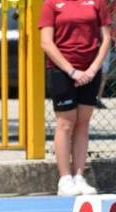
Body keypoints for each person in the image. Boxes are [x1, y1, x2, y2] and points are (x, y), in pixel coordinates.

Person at [39, 0, 111, 196]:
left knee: (83, 124)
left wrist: (92, 70)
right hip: (62, 71)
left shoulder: (98, 2)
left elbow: (106, 39)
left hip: (90, 71)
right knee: (65, 124)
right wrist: (72, 72)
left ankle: (79, 176)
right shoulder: (51, 4)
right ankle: (65, 179)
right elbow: (46, 42)